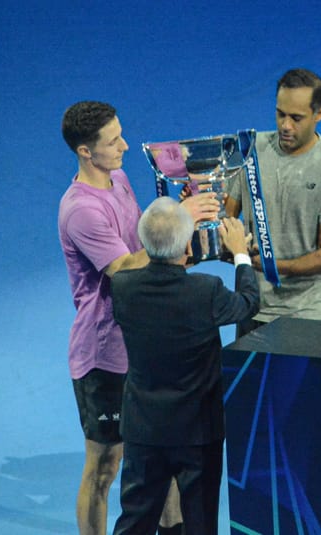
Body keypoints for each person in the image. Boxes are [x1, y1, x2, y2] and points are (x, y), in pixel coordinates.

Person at [58, 101, 219, 535]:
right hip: (105, 355)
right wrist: (181, 220)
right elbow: (126, 270)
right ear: (85, 152)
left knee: (162, 454)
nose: (125, 146)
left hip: (144, 343)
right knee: (106, 466)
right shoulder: (81, 211)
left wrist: (173, 213)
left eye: (121, 134)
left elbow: (142, 236)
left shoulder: (120, 179)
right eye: (113, 142)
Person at [109, 197, 259, 535]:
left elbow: (160, 280)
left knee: (134, 521)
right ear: (188, 243)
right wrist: (240, 255)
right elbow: (249, 304)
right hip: (197, 431)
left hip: (144, 429)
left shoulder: (122, 287)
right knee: (201, 524)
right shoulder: (206, 291)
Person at [225, 68, 321, 336]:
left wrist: (269, 266)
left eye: (296, 118)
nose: (285, 125)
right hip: (253, 306)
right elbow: (226, 214)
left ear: (319, 114)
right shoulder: (250, 149)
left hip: (310, 311)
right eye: (280, 114)